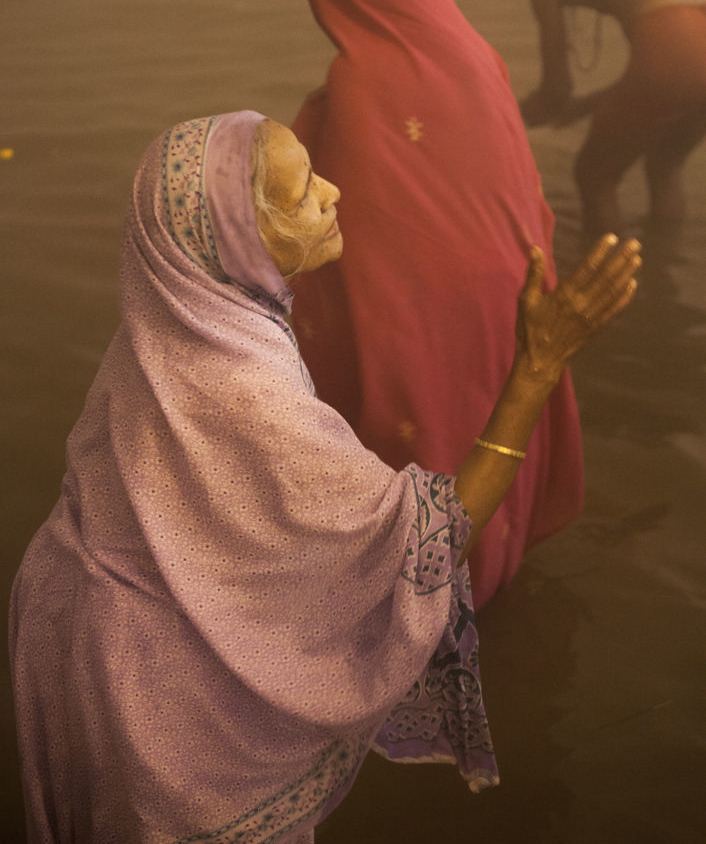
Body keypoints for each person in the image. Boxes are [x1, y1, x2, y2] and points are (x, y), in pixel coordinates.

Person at [9, 108, 640, 844]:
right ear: (241, 239)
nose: (335, 192)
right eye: (306, 188)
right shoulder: (242, 390)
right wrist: (536, 368)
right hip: (151, 694)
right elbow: (427, 543)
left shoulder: (168, 328)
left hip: (73, 633)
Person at [290, 0, 585, 611]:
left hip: (418, 300)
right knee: (495, 415)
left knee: (424, 428)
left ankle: (422, 611)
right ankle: (497, 580)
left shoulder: (358, 77)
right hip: (512, 285)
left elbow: (344, 229)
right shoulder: (478, 53)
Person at [520, 0, 706, 234]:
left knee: (595, 177)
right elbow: (672, 70)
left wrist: (506, 119)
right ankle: (663, 269)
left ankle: (603, 283)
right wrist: (588, 106)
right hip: (685, 47)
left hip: (675, 45)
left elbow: (555, 91)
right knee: (666, 162)